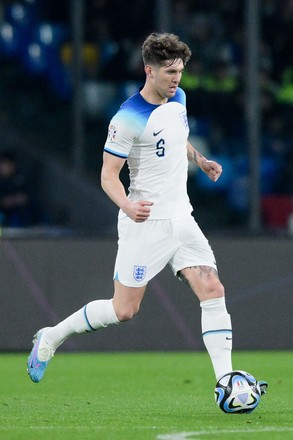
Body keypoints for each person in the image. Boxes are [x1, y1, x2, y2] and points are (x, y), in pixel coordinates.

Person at [27, 33, 268, 397]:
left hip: (181, 218)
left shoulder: (179, 99)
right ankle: (52, 336)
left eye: (181, 72)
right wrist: (126, 205)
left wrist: (199, 160)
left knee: (212, 288)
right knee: (124, 310)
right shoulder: (127, 118)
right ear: (148, 70)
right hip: (145, 222)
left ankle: (225, 381)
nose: (177, 79)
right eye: (170, 72)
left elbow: (177, 137)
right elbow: (108, 175)